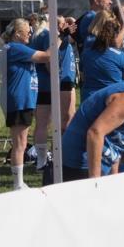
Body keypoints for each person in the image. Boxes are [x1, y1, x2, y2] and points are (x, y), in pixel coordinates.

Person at [0, 18, 61, 190]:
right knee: (20, 143)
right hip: (18, 101)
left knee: (21, 141)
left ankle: (19, 182)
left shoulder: (14, 48)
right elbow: (47, 56)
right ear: (17, 34)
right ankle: (18, 184)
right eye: (27, 31)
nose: (30, 33)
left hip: (21, 99)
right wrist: (57, 36)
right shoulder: (15, 48)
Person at [61, 79, 124, 181]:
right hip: (81, 162)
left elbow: (115, 141)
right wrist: (95, 182)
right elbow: (95, 132)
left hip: (101, 159)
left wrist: (114, 177)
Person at [29, 15, 78, 170]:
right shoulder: (49, 35)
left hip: (48, 83)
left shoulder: (51, 35)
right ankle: (56, 159)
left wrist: (69, 27)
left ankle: (45, 160)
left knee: (44, 123)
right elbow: (49, 61)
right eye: (62, 21)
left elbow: (69, 42)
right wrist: (56, 78)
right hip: (56, 83)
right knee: (62, 121)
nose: (65, 23)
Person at [80, 10, 124, 101]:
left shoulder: (87, 51)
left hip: (90, 97)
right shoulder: (92, 41)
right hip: (109, 99)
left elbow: (83, 74)